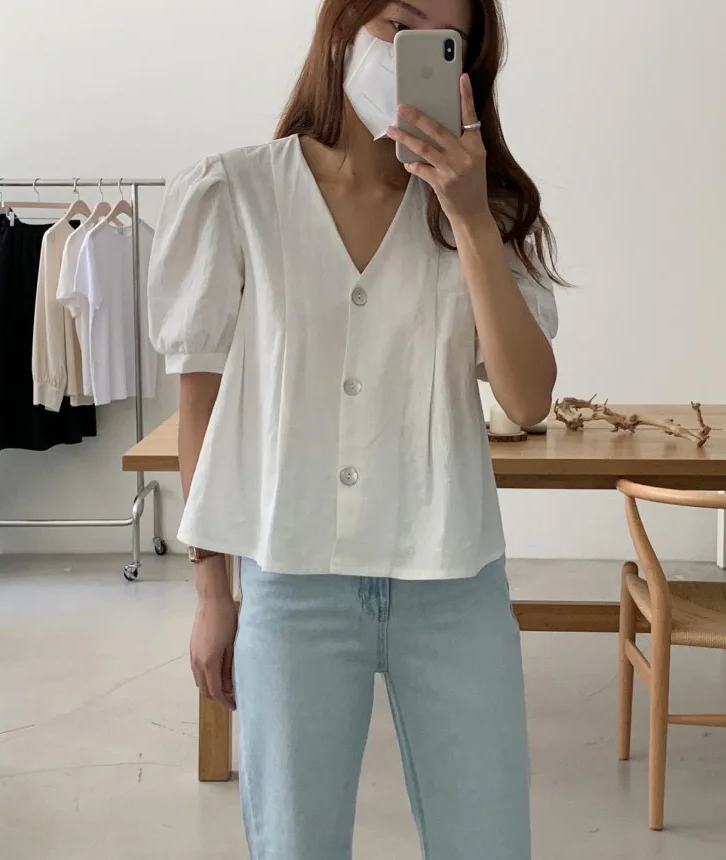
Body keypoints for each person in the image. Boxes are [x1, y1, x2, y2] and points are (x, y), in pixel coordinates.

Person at [148, 1, 563, 856]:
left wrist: (468, 216)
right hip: (293, 581)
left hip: (453, 583)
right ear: (342, 24)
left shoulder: (486, 211)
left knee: (488, 841)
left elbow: (527, 400)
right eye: (393, 25)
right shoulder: (237, 194)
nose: (405, 52)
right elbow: (201, 409)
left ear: (463, 69)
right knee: (294, 844)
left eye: (435, 40)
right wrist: (211, 594)